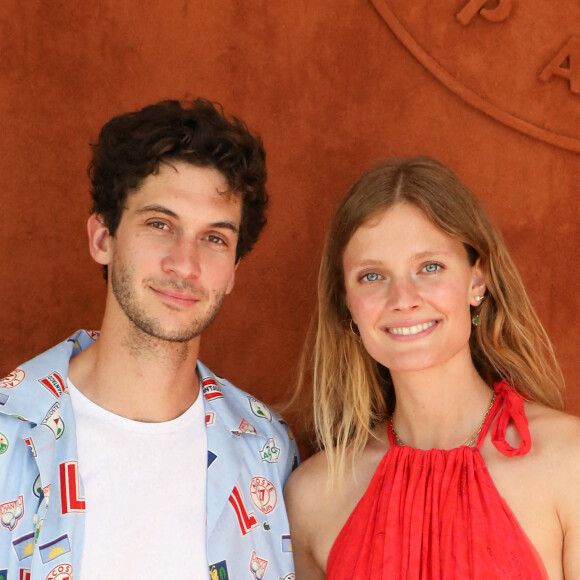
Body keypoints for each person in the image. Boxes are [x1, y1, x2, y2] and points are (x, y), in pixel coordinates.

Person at [0, 99, 298, 580]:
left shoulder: (268, 449)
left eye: (215, 238)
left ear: (232, 273)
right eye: (160, 224)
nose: (185, 264)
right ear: (103, 239)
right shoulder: (8, 432)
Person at [285, 156, 580, 579]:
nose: (403, 298)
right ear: (347, 303)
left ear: (477, 281)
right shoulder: (313, 496)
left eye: (430, 267)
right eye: (372, 276)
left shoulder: (569, 461)